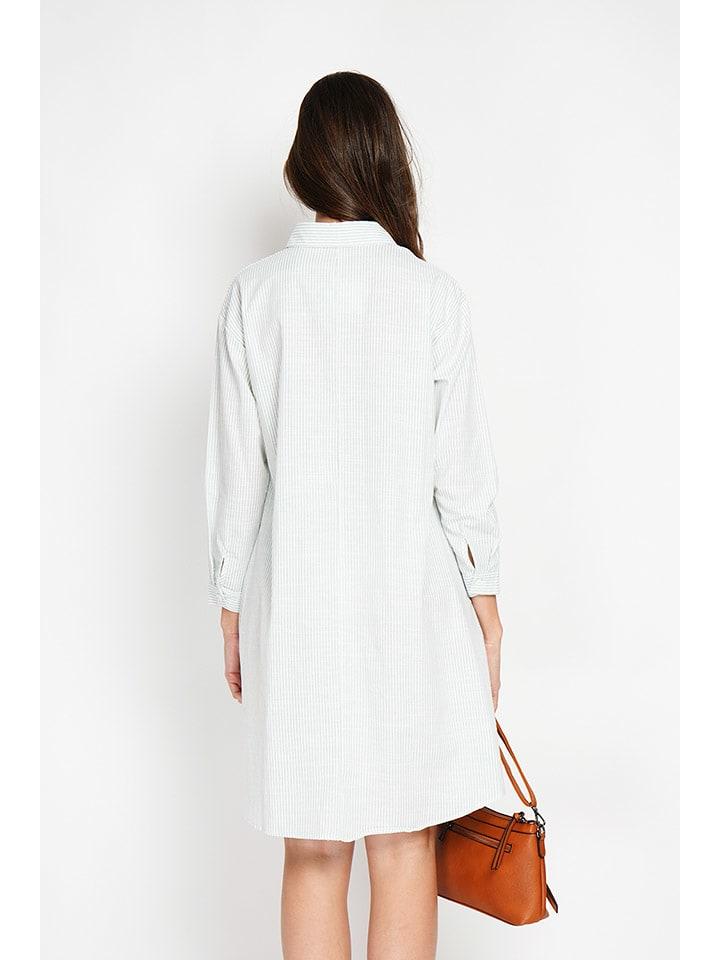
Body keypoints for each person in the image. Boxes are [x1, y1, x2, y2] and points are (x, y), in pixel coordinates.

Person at [206, 71, 505, 960]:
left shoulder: (257, 296)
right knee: (404, 840)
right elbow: (463, 482)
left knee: (312, 847)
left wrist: (230, 608)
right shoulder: (432, 295)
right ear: (384, 161)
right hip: (414, 607)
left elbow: (239, 480)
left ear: (303, 164)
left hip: (296, 609)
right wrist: (487, 609)